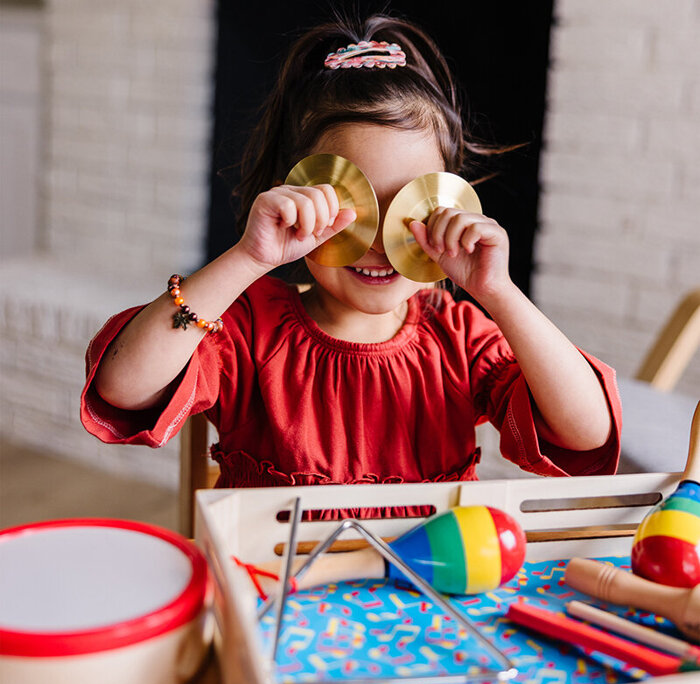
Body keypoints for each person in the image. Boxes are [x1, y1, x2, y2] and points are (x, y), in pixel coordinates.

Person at [81, 13, 621, 516]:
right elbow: (121, 389)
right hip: (273, 593)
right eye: (355, 209)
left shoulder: (461, 338)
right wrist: (247, 259)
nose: (380, 243)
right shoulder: (247, 328)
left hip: (422, 593)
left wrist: (500, 293)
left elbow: (586, 433)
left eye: (411, 207)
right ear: (297, 197)